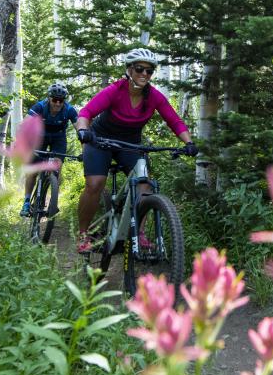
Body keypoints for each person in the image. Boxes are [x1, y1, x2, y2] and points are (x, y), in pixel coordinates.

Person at [74, 48, 198, 253]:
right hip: (100, 140)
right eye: (139, 69)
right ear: (129, 70)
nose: (144, 74)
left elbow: (174, 120)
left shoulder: (154, 97)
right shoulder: (115, 90)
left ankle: (139, 234)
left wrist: (189, 143)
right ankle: (83, 234)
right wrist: (83, 131)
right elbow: (86, 112)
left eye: (149, 71)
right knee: (95, 184)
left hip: (130, 144)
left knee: (144, 185)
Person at [21, 82, 79, 216]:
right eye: (55, 100)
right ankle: (26, 202)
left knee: (57, 169)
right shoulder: (40, 107)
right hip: (39, 137)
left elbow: (79, 128)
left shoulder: (69, 110)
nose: (58, 103)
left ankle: (53, 202)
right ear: (49, 98)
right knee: (33, 171)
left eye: (61, 100)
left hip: (58, 138)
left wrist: (85, 142)